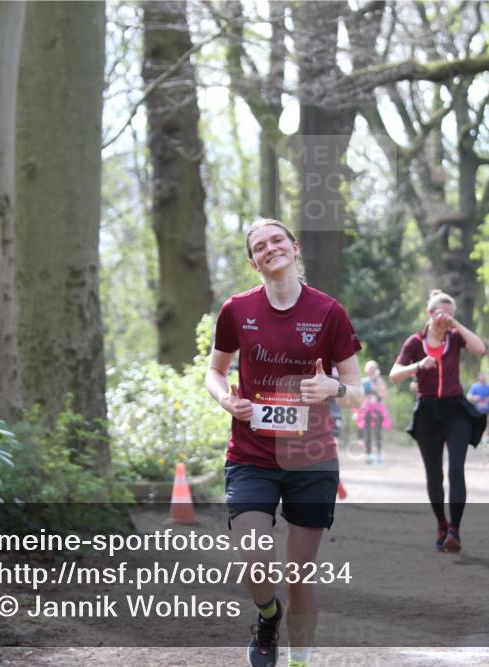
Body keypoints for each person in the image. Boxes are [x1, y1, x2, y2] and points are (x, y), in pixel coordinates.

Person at [206, 219, 362, 667]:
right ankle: (267, 616)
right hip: (251, 454)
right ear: (253, 261)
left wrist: (331, 388)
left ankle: (299, 661)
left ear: (294, 248)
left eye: (277, 240)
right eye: (260, 246)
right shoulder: (236, 310)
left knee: (300, 574)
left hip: (311, 458)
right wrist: (224, 400)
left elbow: (358, 392)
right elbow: (215, 371)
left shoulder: (329, 312)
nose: (270, 248)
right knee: (255, 560)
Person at [389, 289, 486, 553]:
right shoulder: (415, 342)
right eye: (442, 314)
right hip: (428, 413)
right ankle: (441, 523)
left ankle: (454, 529)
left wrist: (456, 324)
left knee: (456, 470)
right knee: (434, 475)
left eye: (451, 316)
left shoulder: (455, 338)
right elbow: (394, 374)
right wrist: (418, 366)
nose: (446, 320)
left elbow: (480, 349)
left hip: (456, 411)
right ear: (430, 314)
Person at [355, 360, 391, 464]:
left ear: (376, 369)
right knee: (367, 431)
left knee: (378, 432)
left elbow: (384, 395)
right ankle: (368, 455)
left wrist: (376, 390)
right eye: (369, 368)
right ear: (367, 370)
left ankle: (378, 454)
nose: (371, 371)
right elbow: (359, 396)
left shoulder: (379, 381)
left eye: (373, 368)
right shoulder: (363, 381)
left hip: (378, 409)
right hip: (366, 409)